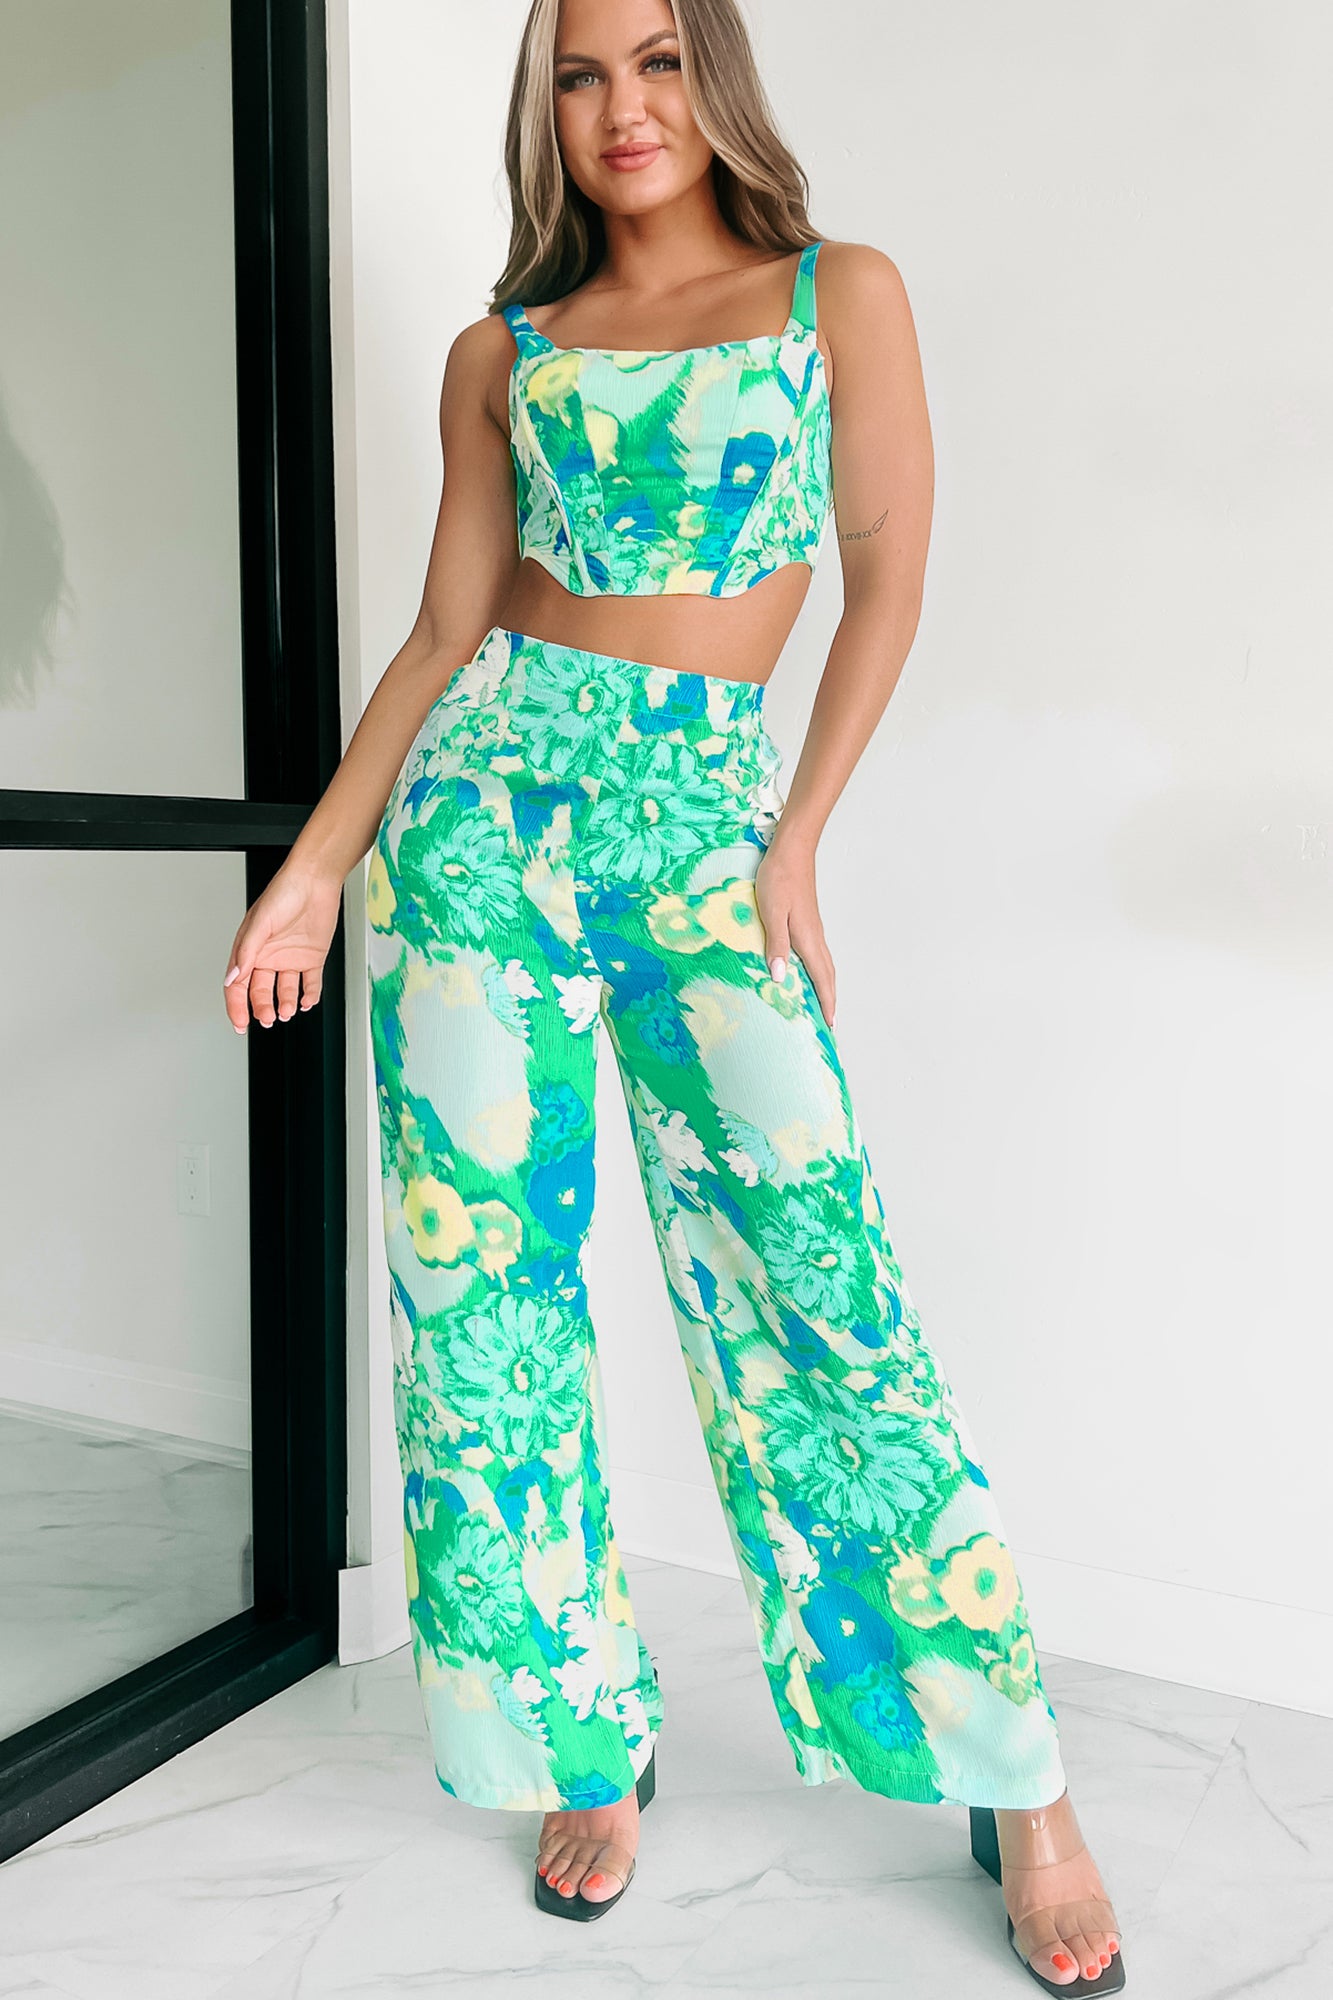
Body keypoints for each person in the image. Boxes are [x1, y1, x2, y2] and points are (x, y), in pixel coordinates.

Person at [222, 0, 1125, 1988]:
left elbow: (885, 575)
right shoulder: (507, 351)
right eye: (576, 73)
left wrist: (794, 838)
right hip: (478, 829)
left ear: (710, 77)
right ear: (542, 111)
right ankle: (584, 1737)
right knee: (484, 1311)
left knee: (819, 1283)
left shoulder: (833, 294)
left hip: (705, 817)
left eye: (650, 61)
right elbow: (445, 630)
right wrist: (316, 867)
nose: (618, 107)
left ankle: (1016, 1776)